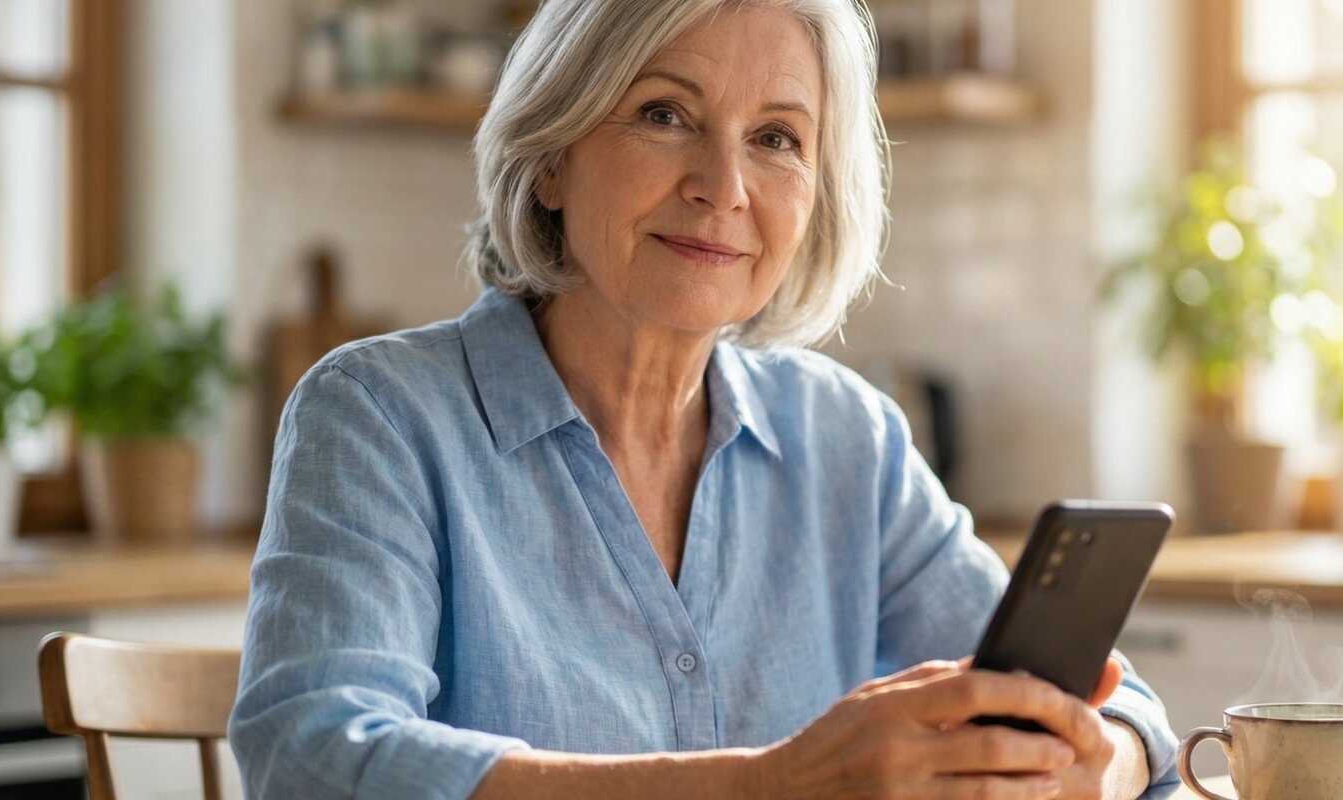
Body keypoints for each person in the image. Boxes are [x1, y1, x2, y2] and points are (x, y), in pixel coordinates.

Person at [228, 1, 1183, 797]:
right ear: (552, 154)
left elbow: (1125, 711)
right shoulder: (377, 416)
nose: (722, 187)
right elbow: (311, 757)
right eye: (664, 115)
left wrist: (1088, 771)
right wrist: (767, 785)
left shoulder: (847, 438)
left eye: (776, 138)